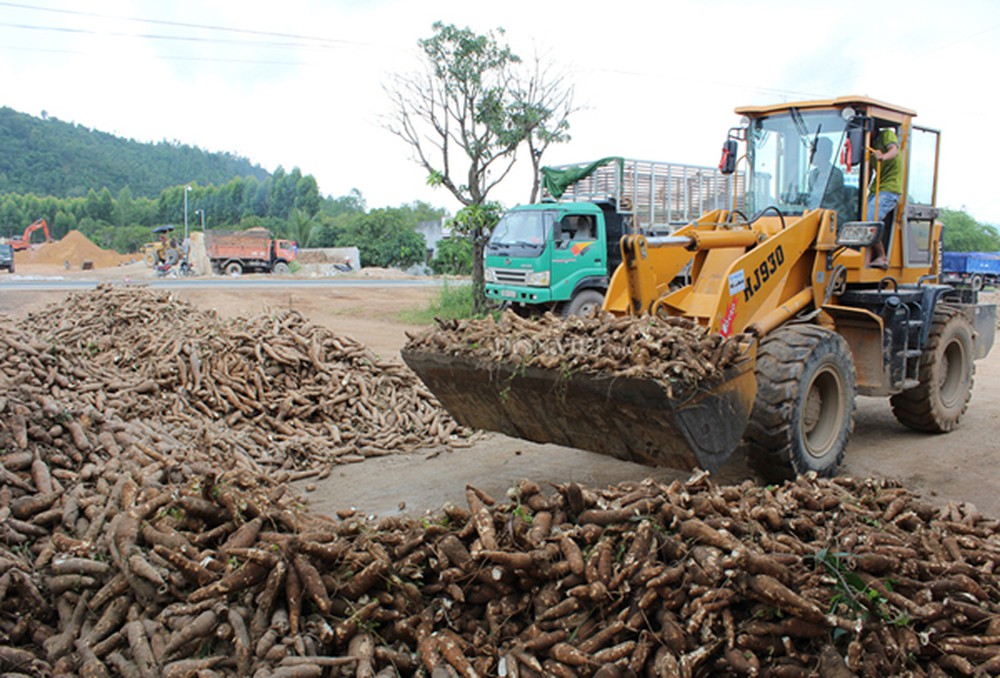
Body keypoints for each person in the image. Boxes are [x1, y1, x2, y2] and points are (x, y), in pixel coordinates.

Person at [866, 127, 901, 268]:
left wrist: (882, 157)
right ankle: (866, 260)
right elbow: (868, 171)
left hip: (890, 189)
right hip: (876, 188)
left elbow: (894, 150)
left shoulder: (887, 135)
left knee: (870, 219)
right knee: (862, 222)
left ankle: (882, 256)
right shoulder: (869, 145)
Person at [808, 137, 846, 213]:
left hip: (832, 216)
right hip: (815, 213)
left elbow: (819, 195)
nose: (810, 156)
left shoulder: (835, 174)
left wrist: (799, 197)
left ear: (824, 154)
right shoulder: (812, 174)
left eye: (814, 152)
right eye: (811, 152)